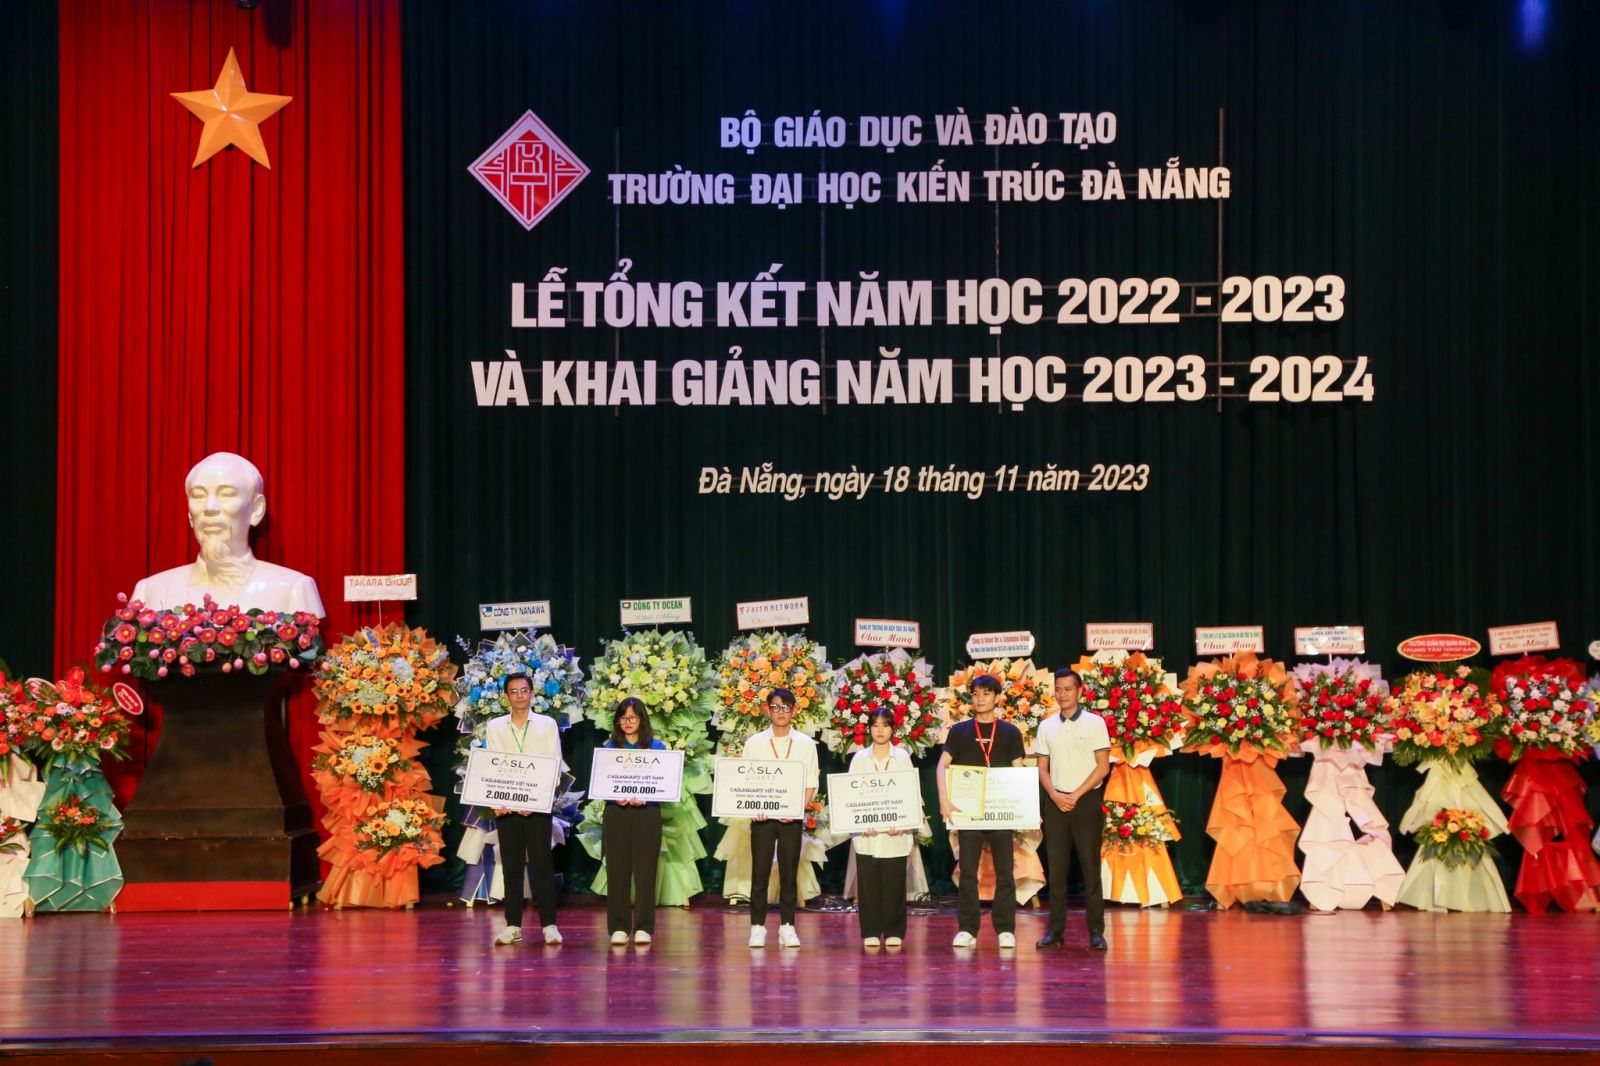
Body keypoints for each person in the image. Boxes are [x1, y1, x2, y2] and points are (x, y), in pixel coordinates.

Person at [938, 673, 1026, 948]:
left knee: (1005, 872)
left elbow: (1019, 772)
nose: (980, 699)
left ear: (997, 697)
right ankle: (967, 929)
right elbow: (942, 766)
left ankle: (1005, 929)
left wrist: (1026, 806)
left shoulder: (1010, 732)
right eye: (975, 694)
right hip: (969, 811)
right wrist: (943, 800)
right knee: (967, 872)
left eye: (986, 693)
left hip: (1000, 811)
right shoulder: (960, 731)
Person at [1035, 668, 1111, 950]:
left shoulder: (1095, 723)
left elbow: (1102, 767)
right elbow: (1042, 768)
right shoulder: (1046, 726)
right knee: (1056, 871)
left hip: (1086, 801)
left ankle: (1096, 931)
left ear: (1079, 691)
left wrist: (1075, 795)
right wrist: (1055, 795)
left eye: (1068, 689)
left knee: (1090, 867)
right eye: (1058, 689)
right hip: (1055, 802)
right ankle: (1055, 931)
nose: (1062, 694)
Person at [488, 672, 564, 946]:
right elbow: (492, 765)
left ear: (532, 693)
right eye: (514, 691)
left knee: (542, 865)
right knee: (511, 866)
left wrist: (534, 801)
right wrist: (499, 802)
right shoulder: (495, 726)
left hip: (537, 808)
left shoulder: (547, 724)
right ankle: (512, 926)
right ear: (506, 696)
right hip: (507, 807)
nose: (519, 695)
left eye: (524, 690)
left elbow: (554, 767)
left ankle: (549, 926)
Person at [742, 687, 819, 948]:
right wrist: (753, 807)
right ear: (768, 710)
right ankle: (757, 927)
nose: (781, 712)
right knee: (760, 872)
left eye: (786, 707)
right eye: (775, 707)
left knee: (789, 873)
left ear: (794, 710)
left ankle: (788, 926)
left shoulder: (805, 744)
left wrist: (797, 809)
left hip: (791, 819)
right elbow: (745, 779)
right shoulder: (755, 743)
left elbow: (811, 782)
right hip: (762, 818)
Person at [849, 708, 915, 948]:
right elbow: (851, 795)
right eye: (875, 725)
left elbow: (910, 793)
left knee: (894, 884)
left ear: (892, 729)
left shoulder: (902, 757)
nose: (880, 730)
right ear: (869, 729)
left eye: (885, 725)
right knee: (868, 885)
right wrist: (860, 821)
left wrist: (903, 822)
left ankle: (894, 930)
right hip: (867, 835)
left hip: (895, 834)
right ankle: (871, 930)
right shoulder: (860, 759)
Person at [602, 697, 666, 945]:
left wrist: (647, 797)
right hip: (616, 813)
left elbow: (665, 783)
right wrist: (614, 796)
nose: (628, 722)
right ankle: (619, 927)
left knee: (646, 872)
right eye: (623, 717)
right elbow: (602, 783)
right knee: (617, 870)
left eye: (633, 717)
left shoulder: (657, 748)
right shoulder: (609, 749)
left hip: (647, 813)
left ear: (642, 720)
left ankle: (643, 927)